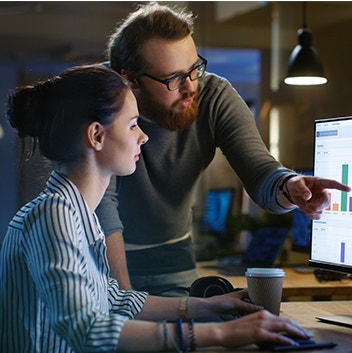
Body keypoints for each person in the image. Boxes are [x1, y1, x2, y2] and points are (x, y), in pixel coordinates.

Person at [0, 64, 312, 352]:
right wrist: (224, 334)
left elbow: (113, 299)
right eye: (133, 125)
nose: (144, 136)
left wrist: (211, 306)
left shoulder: (77, 214)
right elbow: (88, 330)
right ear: (97, 136)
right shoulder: (54, 216)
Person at [96, 2, 351, 294]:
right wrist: (126, 301)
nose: (191, 87)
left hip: (173, 256)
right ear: (129, 79)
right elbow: (103, 210)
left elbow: (259, 170)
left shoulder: (214, 96)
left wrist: (290, 184)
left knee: (199, 333)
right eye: (173, 78)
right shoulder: (97, 98)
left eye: (194, 69)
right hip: (101, 256)